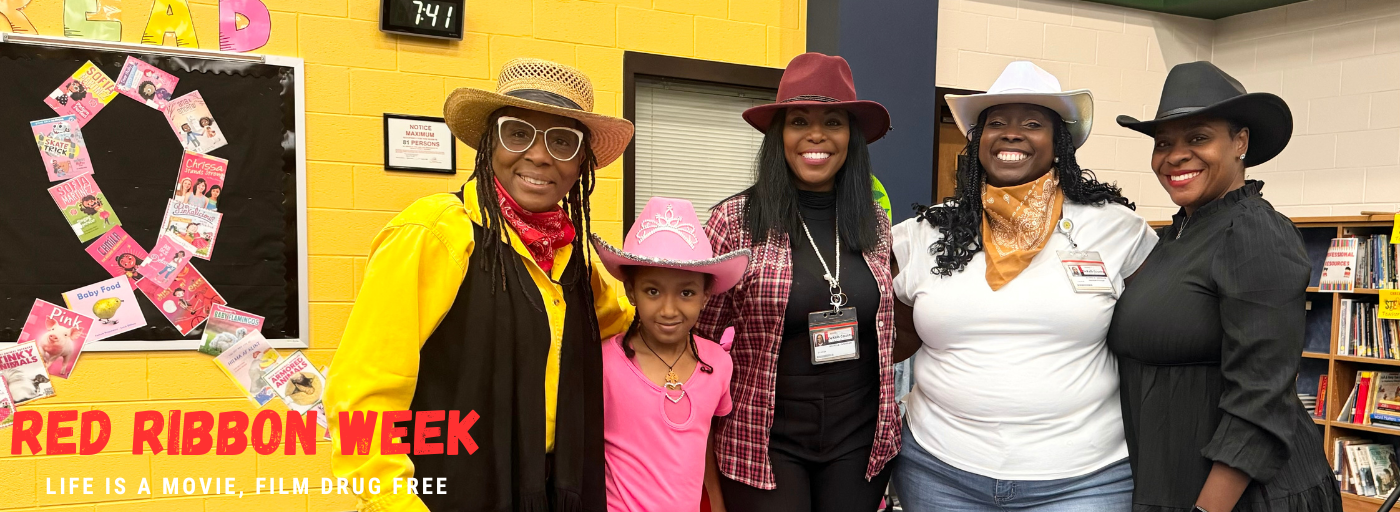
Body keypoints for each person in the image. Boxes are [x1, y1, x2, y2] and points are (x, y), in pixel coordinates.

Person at [324, 57, 636, 512]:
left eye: (563, 141)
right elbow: (362, 394)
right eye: (518, 132)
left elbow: (624, 327)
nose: (539, 155)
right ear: (490, 142)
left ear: (581, 163)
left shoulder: (574, 260)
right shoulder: (435, 234)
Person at [890, 61, 1157, 511]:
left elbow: (1155, 335)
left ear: (1058, 145)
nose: (1012, 133)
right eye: (996, 123)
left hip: (1084, 479)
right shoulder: (921, 235)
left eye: (1033, 123)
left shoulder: (1117, 230)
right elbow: (893, 339)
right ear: (977, 142)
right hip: (939, 472)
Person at [1108, 61, 1343, 512]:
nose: (1174, 156)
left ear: (1240, 142)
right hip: (1172, 482)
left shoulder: (1253, 233)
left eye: (1198, 138)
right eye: (1163, 144)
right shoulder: (1176, 235)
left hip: (1241, 497)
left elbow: (1261, 397)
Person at [696, 52, 898, 512]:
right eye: (798, 120)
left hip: (859, 441)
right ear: (778, 136)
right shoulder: (734, 222)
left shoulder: (876, 224)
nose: (816, 135)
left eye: (833, 121)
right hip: (764, 441)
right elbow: (698, 336)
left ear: (852, 138)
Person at [591, 196, 749, 512]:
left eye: (686, 293)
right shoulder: (604, 364)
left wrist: (717, 503)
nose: (668, 309)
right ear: (631, 290)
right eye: (653, 291)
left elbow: (704, 440)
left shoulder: (718, 363)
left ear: (706, 294)